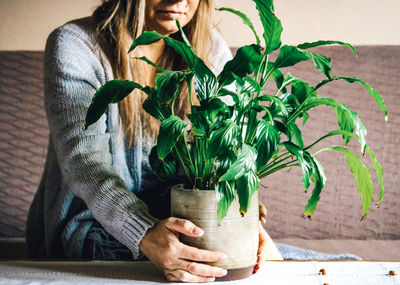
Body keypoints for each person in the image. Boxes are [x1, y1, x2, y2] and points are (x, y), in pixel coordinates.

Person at [26, 0, 283, 283]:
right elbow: (83, 160)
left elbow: (227, 150)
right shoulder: (77, 45)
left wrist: (239, 217)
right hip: (91, 228)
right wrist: (145, 232)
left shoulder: (210, 49)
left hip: (186, 223)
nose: (178, 1)